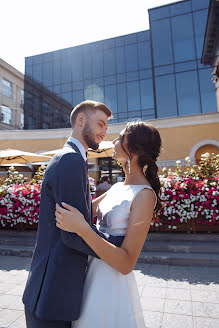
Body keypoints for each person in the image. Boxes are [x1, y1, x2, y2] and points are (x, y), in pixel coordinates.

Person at [22, 100, 124, 328]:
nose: (104, 132)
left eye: (106, 126)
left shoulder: (71, 158)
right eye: (100, 124)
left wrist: (114, 195)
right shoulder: (71, 160)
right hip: (53, 296)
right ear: (81, 120)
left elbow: (79, 217)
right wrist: (119, 244)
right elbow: (72, 233)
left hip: (51, 291)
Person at [55, 120, 162, 328]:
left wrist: (83, 229)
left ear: (133, 148)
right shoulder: (116, 187)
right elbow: (83, 211)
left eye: (120, 137)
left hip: (111, 283)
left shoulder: (145, 195)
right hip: (91, 270)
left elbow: (126, 263)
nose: (113, 140)